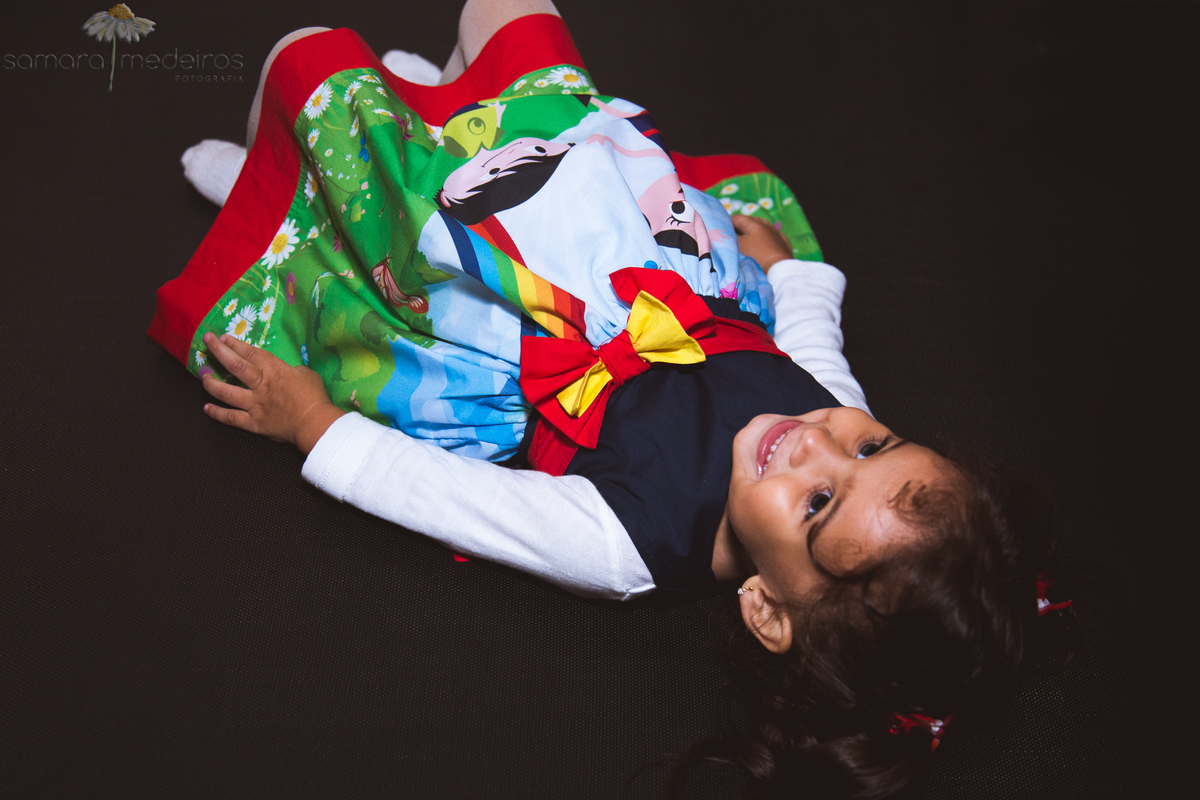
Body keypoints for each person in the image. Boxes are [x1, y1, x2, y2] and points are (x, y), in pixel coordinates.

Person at [152, 1, 1078, 796]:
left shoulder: (628, 543)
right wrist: (786, 269)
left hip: (488, 306)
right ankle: (440, 97)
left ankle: (267, 185)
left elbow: (454, 501)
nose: (817, 444)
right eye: (874, 446)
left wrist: (314, 426)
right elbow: (814, 347)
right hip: (618, 236)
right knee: (508, 14)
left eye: (818, 505)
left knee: (313, 68)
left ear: (767, 608)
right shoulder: (822, 418)